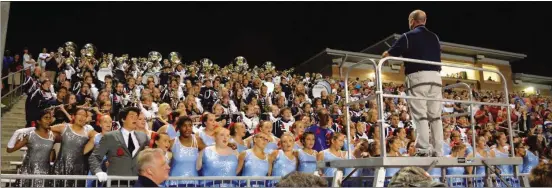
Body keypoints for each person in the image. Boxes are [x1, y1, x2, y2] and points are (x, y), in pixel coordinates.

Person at [382, 9, 443, 157]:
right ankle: (438, 150)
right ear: (425, 21)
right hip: (436, 77)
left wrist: (384, 56)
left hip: (418, 77)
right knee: (435, 116)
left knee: (420, 114)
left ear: (412, 21)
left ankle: (423, 150)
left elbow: (390, 54)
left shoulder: (408, 36)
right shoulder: (435, 37)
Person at [90, 107, 149, 186]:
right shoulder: (110, 136)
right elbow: (94, 157)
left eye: (136, 116)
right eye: (132, 116)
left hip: (137, 183)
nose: (135, 118)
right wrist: (98, 171)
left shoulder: (143, 137)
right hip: (115, 183)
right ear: (123, 119)